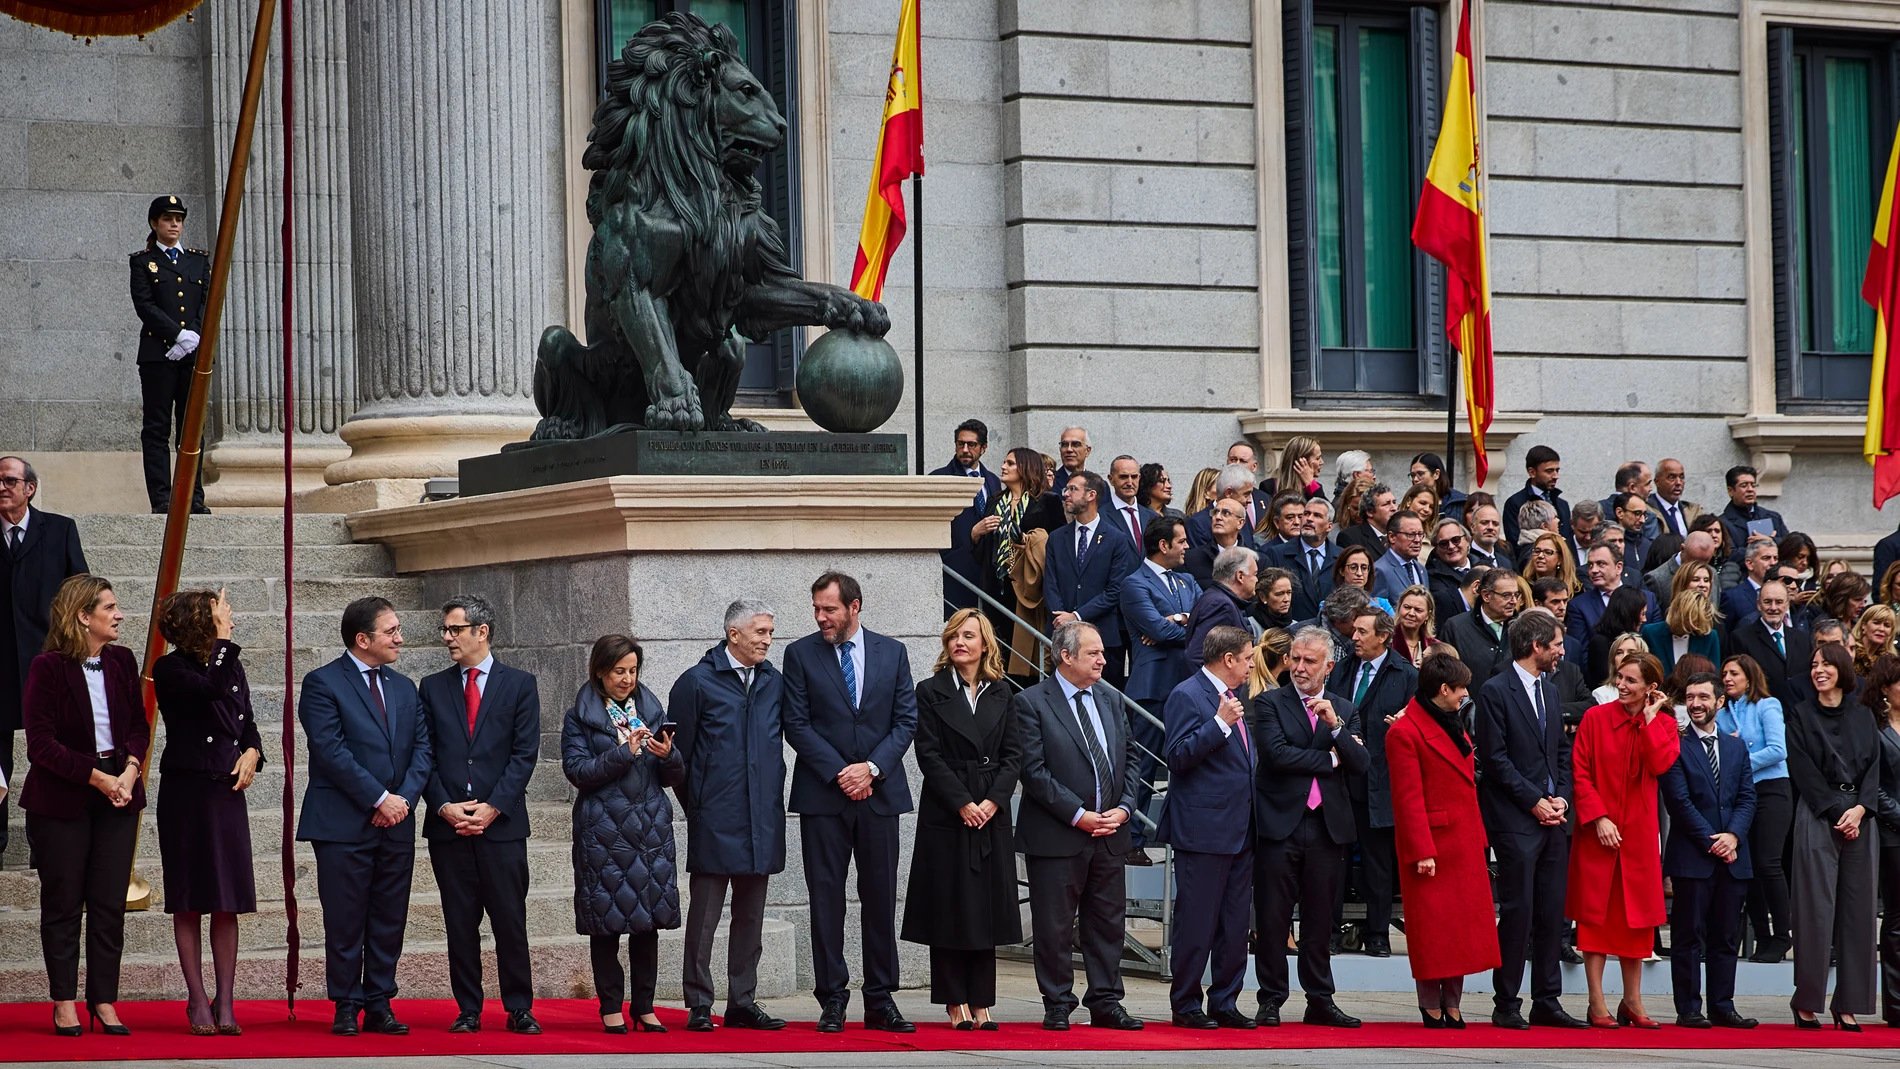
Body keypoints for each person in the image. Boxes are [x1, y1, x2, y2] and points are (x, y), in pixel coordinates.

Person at [784, 572, 919, 1033]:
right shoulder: (799, 654)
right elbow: (797, 724)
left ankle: (881, 999)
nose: (821, 617)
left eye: (830, 609)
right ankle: (832, 999)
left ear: (855, 607)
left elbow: (905, 721)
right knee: (826, 900)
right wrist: (843, 772)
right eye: (817, 609)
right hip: (825, 795)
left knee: (880, 898)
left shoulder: (893, 652)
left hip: (879, 794)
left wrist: (872, 769)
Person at [295, 596, 432, 1037]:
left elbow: (422, 750)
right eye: (391, 631)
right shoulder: (322, 683)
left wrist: (402, 800)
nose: (399, 638)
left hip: (397, 822)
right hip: (342, 823)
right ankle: (345, 1004)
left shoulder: (404, 687)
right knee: (345, 916)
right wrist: (378, 799)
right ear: (363, 638)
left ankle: (379, 1003)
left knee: (390, 916)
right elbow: (330, 751)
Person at [20, 575, 147, 1037]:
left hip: (120, 792)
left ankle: (105, 1000)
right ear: (82, 615)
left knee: (110, 903)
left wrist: (130, 771)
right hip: (63, 798)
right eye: (110, 607)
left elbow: (138, 723)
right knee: (63, 903)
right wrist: (98, 778)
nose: (119, 615)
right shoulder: (47, 667)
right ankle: (64, 1001)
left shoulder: (122, 660)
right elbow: (41, 744)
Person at [418, 596, 542, 1035]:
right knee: (459, 922)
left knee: (510, 919)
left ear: (481, 631)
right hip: (449, 826)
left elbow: (525, 754)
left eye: (455, 629)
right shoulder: (432, 687)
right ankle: (468, 1008)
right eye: (445, 631)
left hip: (502, 826)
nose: (448, 638)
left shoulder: (520, 684)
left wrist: (492, 807)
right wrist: (444, 805)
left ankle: (519, 1007)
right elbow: (424, 754)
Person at [1013, 621, 1144, 1032]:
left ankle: (1106, 1001)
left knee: (1107, 923)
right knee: (1053, 926)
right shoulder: (1032, 702)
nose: (1103, 659)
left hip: (1110, 833)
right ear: (1065, 656)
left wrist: (1124, 809)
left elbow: (1132, 760)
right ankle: (1057, 1003)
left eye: (1103, 652)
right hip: (1059, 834)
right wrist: (1077, 814)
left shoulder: (1110, 699)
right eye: (1093, 653)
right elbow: (1033, 771)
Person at [669, 599, 788, 1032]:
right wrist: (698, 807)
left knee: (751, 918)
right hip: (715, 819)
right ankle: (699, 1003)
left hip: (763, 819)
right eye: (760, 632)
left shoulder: (774, 681)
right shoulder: (696, 683)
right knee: (705, 918)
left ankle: (742, 1001)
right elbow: (677, 761)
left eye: (771, 632)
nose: (768, 640)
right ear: (733, 634)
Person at [903, 609, 1022, 1031]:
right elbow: (928, 755)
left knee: (984, 908)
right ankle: (955, 1001)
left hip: (990, 811)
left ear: (985, 644)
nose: (960, 642)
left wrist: (991, 802)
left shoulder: (1003, 693)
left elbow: (1014, 755)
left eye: (969, 636)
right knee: (949, 906)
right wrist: (962, 803)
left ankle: (982, 1000)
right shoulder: (929, 691)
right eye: (954, 635)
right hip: (947, 810)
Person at [151, 588, 261, 1036]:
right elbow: (208, 692)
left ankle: (227, 1000)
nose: (230, 621)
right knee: (190, 898)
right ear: (202, 624)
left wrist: (254, 750)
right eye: (222, 616)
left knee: (226, 900)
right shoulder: (169, 667)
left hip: (226, 792)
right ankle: (197, 999)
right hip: (187, 793)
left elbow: (245, 719)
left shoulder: (228, 662)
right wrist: (221, 642)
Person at [563, 634, 682, 1034]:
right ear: (600, 671)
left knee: (647, 922)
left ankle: (645, 1006)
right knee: (607, 922)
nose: (627, 678)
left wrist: (670, 756)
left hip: (649, 830)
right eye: (619, 671)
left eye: (632, 670)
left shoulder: (649, 708)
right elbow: (578, 772)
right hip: (604, 832)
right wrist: (624, 752)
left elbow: (671, 777)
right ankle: (611, 1006)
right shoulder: (580, 715)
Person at [1251, 626, 1368, 1028]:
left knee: (1321, 920)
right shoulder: (1268, 703)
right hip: (1280, 824)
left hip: (1327, 828)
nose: (1299, 668)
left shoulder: (1345, 708)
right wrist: (1331, 757)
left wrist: (1336, 729)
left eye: (1309, 661)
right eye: (1294, 659)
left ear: (1329, 666)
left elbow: (1362, 763)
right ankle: (1270, 999)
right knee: (1272, 918)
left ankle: (1320, 999)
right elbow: (1278, 755)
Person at [1475, 610, 1587, 1030]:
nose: (1562, 651)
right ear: (1537, 646)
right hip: (1515, 820)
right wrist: (1534, 801)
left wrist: (1560, 797)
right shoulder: (1494, 690)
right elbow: (1496, 759)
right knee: (1519, 912)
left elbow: (1560, 751)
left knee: (1551, 914)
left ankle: (1548, 1000)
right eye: (1556, 644)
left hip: (1553, 819)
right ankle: (1506, 1002)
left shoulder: (1551, 689)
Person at [1387, 652, 1499, 1028]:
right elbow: (1407, 798)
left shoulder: (1452, 722)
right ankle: (1430, 1004)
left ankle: (1453, 1004)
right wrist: (1422, 850)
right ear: (1444, 689)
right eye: (1461, 688)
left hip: (1463, 841)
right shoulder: (1404, 732)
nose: (1466, 694)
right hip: (1432, 846)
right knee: (1432, 932)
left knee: (1461, 932)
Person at [1156, 626, 1259, 1030]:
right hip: (1203, 829)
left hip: (1241, 827)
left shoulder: (1237, 696)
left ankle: (1226, 1001)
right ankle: (1185, 1003)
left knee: (1235, 924)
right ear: (1228, 658)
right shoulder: (1187, 694)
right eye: (1248, 657)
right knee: (1197, 922)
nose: (1252, 664)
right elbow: (1178, 757)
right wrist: (1218, 724)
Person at [1567, 651, 1676, 1028]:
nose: (1622, 685)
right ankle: (1597, 1003)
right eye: (1620, 677)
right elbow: (1579, 770)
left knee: (1637, 923)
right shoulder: (1595, 718)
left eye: (1631, 680)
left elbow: (1660, 764)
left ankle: (1633, 1001)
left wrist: (1648, 720)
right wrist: (1598, 817)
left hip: (1640, 835)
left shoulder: (1663, 724)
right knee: (1594, 920)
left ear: (1651, 688)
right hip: (1597, 832)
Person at [0, 455, 88, 861]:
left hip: (46, 664)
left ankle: (48, 842)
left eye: (9, 480)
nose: (2, 487)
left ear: (29, 488)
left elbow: (81, 595)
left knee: (47, 752)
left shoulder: (60, 530)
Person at [1787, 643, 1879, 1029]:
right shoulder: (1801, 714)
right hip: (1818, 812)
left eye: (1826, 664)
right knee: (1814, 912)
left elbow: (1876, 766)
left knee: (1859, 916)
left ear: (1842, 669)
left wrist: (1860, 809)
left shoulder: (1863, 714)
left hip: (1861, 816)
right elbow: (1801, 767)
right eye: (1814, 665)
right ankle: (1806, 1001)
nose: (1818, 670)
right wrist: (1837, 810)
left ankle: (1849, 1004)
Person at [1660, 671, 1758, 1029]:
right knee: (1687, 937)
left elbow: (1748, 797)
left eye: (1703, 697)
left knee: (1726, 937)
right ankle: (1688, 1008)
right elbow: (1679, 803)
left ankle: (1722, 1005)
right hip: (1693, 856)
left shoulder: (1736, 746)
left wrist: (1732, 837)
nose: (1696, 704)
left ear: (1720, 702)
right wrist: (1713, 841)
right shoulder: (1676, 744)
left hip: (1734, 857)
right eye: (1690, 697)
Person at [1327, 603, 1416, 959]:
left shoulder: (1405, 674)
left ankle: (1377, 933)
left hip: (1381, 780)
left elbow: (1418, 723)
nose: (1354, 637)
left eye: (1363, 632)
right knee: (1335, 860)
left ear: (1384, 636)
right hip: (1340, 776)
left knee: (1379, 862)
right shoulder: (1342, 669)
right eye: (1354, 630)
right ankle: (1329, 931)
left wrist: (1403, 727)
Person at [1120, 516, 1202, 852]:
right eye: (1181, 541)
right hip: (1153, 688)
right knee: (1144, 766)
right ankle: (1133, 839)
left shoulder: (1187, 580)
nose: (1187, 547)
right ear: (1163, 545)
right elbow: (1158, 631)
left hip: (1190, 686)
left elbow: (1205, 625)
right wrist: (1185, 626)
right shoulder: (1134, 583)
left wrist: (1180, 620)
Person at [129, 195, 210, 514]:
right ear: (154, 223)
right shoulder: (142, 261)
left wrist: (192, 336)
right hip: (157, 356)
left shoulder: (198, 260)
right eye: (167, 219)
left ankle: (194, 497)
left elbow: (209, 301)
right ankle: (162, 499)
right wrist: (176, 335)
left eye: (178, 219)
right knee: (157, 429)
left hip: (194, 357)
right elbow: (144, 305)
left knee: (192, 429)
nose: (174, 224)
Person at [1716, 654, 1795, 964]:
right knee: (1747, 867)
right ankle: (1762, 937)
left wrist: (1740, 759)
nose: (1727, 678)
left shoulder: (1767, 705)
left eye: (1734, 673)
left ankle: (1782, 936)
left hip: (1772, 791)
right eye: (1724, 674)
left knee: (1768, 863)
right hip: (1741, 794)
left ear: (1749, 676)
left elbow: (1778, 749)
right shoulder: (1722, 712)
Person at [1046, 471, 1140, 691]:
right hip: (1064, 639)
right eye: (1066, 489)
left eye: (1072, 489)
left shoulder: (1116, 538)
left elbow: (1115, 590)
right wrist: (1062, 619)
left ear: (1091, 495)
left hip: (1103, 638)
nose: (1066, 494)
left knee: (1104, 700)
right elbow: (1050, 584)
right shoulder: (1057, 538)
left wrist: (1077, 616)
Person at [933, 419, 1002, 614]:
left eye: (971, 445)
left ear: (983, 448)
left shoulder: (993, 480)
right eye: (960, 444)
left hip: (987, 575)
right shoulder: (939, 479)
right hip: (955, 573)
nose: (965, 449)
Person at [1729, 579, 1811, 710]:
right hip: (1760, 714)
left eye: (1778, 602)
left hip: (1799, 717)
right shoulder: (1741, 638)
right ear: (1758, 604)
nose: (1773, 608)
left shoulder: (1803, 639)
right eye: (1767, 602)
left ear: (1787, 605)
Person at [1872, 657, 1900, 1025]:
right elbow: (1874, 787)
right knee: (1896, 920)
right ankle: (1895, 1005)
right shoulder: (1875, 730)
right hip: (1893, 835)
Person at [1442, 567, 1519, 691]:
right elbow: (1445, 674)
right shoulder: (1455, 627)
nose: (1514, 601)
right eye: (1506, 595)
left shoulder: (1522, 629)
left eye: (1516, 594)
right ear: (1486, 595)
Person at [1570, 542, 1660, 644]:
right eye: (1590, 565)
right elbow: (1582, 651)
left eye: (1601, 564)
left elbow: (1657, 643)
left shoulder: (1649, 599)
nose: (1593, 570)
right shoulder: (1579, 606)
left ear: (1619, 567)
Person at [1186, 547, 1257, 668]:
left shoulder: (1216, 598)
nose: (1257, 579)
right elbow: (1197, 658)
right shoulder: (1221, 605)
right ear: (1240, 576)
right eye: (1255, 574)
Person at [1267, 497, 1336, 621]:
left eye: (1317, 516)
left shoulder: (1341, 556)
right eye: (1306, 513)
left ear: (1329, 526)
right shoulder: (1277, 554)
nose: (1309, 519)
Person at [1641, 587, 1721, 675]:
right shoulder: (1651, 632)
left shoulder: (1709, 637)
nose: (1694, 626)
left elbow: (1713, 676)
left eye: (1698, 621)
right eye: (1691, 620)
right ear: (1679, 614)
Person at [1718, 466, 1787, 565]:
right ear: (1731, 491)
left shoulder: (1773, 517)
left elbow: (1791, 546)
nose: (1750, 489)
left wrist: (1771, 540)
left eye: (1753, 485)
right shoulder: (1722, 523)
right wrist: (1761, 546)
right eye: (1744, 485)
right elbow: (1729, 556)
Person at [1503, 445, 1569, 546]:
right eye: (1549, 471)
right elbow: (1515, 543)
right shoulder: (1515, 503)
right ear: (1532, 472)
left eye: (1557, 470)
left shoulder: (1562, 505)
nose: (1556, 476)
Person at [1186, 465, 1262, 550]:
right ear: (1229, 493)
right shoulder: (1198, 523)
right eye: (1246, 494)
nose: (1250, 500)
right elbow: (1201, 560)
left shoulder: (1241, 516)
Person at [1182, 498, 1246, 596]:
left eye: (1226, 513)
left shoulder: (1257, 561)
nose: (1218, 517)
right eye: (1215, 512)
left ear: (1240, 523)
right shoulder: (1190, 560)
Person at [1720, 536, 1778, 635]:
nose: (1773, 563)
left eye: (1776, 558)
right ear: (1750, 563)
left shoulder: (1782, 594)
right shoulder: (1732, 597)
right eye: (1766, 558)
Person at [1646, 530, 1715, 611]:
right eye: (1694, 561)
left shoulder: (1713, 573)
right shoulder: (1657, 579)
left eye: (1705, 562)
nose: (1700, 567)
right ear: (1682, 549)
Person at [1370, 510, 1428, 604]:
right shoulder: (1380, 570)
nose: (1417, 540)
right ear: (1392, 537)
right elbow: (1377, 612)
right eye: (1411, 535)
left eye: (1420, 534)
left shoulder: (1421, 569)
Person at [1105, 454, 1156, 549]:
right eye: (1123, 477)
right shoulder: (1100, 517)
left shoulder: (1153, 518)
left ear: (1139, 478)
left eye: (1134, 477)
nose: (1129, 482)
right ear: (1111, 479)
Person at [1336, 483, 1397, 555]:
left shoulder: (1400, 534)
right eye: (1386, 504)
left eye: (1394, 502)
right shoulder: (1350, 537)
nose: (1394, 508)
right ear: (1369, 512)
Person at [1648, 458, 1702, 539]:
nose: (1678, 482)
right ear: (1657, 482)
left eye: (1682, 477)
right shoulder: (1646, 509)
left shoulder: (1693, 511)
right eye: (1672, 477)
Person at [1262, 435, 1326, 501]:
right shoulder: (1270, 486)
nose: (1322, 462)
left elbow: (1329, 510)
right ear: (1302, 461)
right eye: (1317, 458)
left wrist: (1311, 483)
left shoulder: (1314, 488)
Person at [1409, 451, 1468, 522]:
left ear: (1436, 474)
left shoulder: (1458, 503)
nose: (1415, 479)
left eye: (1420, 474)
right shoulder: (1409, 501)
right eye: (1413, 475)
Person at [1391, 585, 1439, 666]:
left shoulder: (1435, 647)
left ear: (1428, 615)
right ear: (1399, 608)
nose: (1411, 613)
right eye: (1407, 607)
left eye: (1418, 610)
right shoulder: (1384, 640)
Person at [1855, 604, 1899, 677]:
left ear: (1891, 632)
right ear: (1864, 625)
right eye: (1876, 623)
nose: (1881, 629)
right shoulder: (1849, 651)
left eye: (1887, 625)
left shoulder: (1889, 663)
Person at [1252, 566, 1295, 633]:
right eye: (1279, 594)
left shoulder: (1296, 627)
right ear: (1263, 597)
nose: (1286, 599)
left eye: (1289, 592)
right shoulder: (1250, 627)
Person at [1467, 503, 1507, 570]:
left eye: (1495, 524)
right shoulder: (1465, 559)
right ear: (1472, 527)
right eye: (1484, 522)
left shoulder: (1505, 561)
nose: (1490, 527)